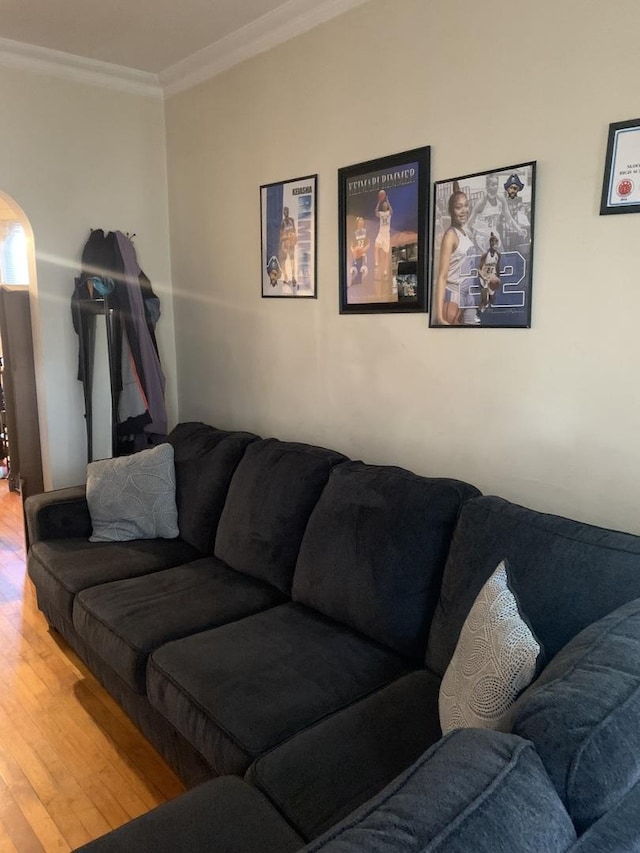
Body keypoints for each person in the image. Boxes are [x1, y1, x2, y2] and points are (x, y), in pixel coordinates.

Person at [432, 184, 476, 325]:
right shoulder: (450, 235)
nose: (464, 211)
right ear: (451, 210)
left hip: (468, 295)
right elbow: (442, 276)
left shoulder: (466, 232)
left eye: (466, 206)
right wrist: (439, 316)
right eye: (458, 207)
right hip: (454, 294)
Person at [466, 174, 524, 253]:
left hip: (493, 236)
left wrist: (518, 229)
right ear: (487, 187)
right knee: (484, 263)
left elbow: (509, 218)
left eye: (497, 184)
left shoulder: (501, 199)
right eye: (493, 184)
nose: (496, 186)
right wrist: (470, 238)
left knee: (503, 262)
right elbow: (468, 224)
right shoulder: (481, 202)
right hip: (481, 237)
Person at [501, 173, 529, 251]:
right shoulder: (502, 202)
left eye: (516, 188)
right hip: (504, 233)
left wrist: (519, 229)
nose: (513, 190)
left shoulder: (517, 203)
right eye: (511, 188)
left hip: (515, 232)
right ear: (507, 189)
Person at [477, 232, 501, 316]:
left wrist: (498, 278)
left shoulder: (498, 255)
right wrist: (483, 278)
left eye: (497, 243)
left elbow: (497, 267)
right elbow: (479, 270)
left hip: (492, 277)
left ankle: (487, 304)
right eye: (495, 243)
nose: (496, 245)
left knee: (492, 300)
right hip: (484, 277)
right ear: (491, 243)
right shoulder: (484, 255)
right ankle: (478, 314)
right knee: (484, 299)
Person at [374, 191, 393, 278]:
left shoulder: (388, 213)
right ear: (383, 206)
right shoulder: (381, 214)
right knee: (376, 246)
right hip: (381, 233)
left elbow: (392, 211)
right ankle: (376, 263)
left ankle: (385, 271)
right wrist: (379, 202)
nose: (385, 205)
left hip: (386, 234)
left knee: (386, 254)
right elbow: (376, 212)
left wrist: (387, 200)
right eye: (384, 205)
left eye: (386, 205)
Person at [279, 206, 297, 288]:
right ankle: (286, 276)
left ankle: (293, 276)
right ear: (283, 213)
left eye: (287, 211)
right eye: (284, 212)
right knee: (283, 260)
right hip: (285, 243)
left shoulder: (291, 220)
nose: (286, 213)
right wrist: (285, 238)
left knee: (292, 259)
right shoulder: (282, 223)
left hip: (291, 243)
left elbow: (294, 231)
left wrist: (294, 238)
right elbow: (281, 235)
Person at [349, 217, 370, 286]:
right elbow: (351, 246)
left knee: (364, 272)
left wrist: (363, 250)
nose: (361, 224)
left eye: (362, 222)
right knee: (356, 271)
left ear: (363, 223)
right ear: (357, 224)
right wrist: (354, 251)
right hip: (356, 255)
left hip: (364, 254)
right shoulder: (354, 233)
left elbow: (369, 244)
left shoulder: (366, 232)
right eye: (359, 223)